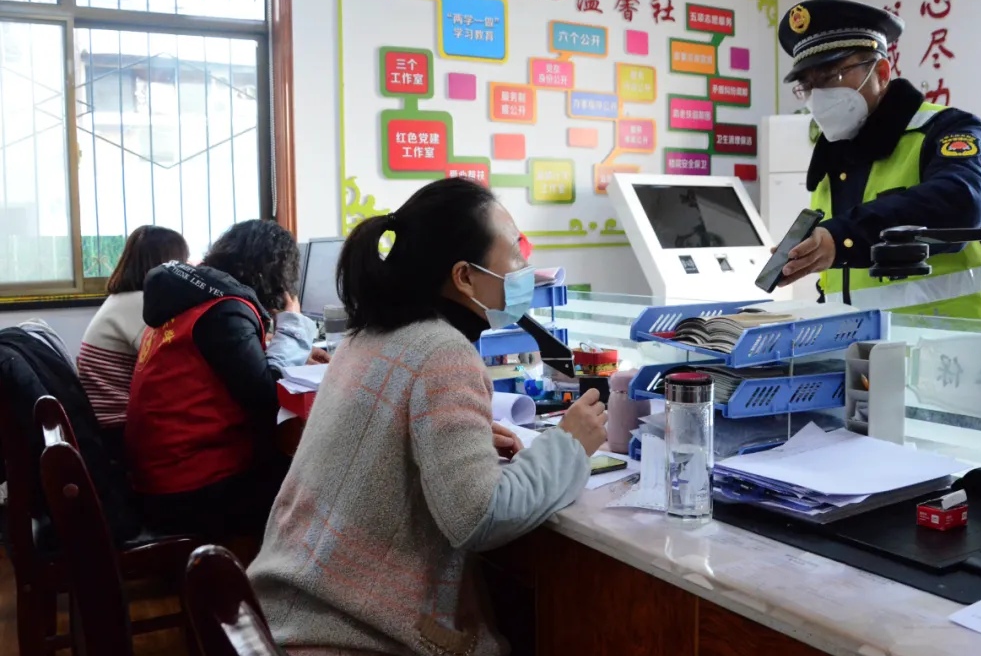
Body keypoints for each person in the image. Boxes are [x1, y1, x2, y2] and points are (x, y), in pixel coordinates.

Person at [247, 179, 608, 656]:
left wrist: (458, 441)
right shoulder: (443, 351)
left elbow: (382, 436)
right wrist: (569, 443)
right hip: (345, 635)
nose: (524, 270)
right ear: (465, 277)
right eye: (514, 255)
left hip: (286, 612)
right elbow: (479, 517)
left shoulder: (365, 336)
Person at [777, 0, 981, 321]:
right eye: (808, 86)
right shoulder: (832, 159)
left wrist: (841, 237)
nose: (818, 97)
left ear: (882, 73)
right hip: (861, 349)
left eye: (830, 77)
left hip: (956, 346)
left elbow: (962, 201)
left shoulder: (946, 130)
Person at [125, 219, 317, 539]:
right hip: (191, 490)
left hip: (159, 477)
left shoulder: (190, 299)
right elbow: (266, 396)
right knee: (314, 478)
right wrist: (293, 323)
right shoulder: (225, 310)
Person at [77, 226, 189, 459]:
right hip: (118, 429)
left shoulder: (122, 299)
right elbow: (174, 365)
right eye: (183, 262)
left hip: (105, 424)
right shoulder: (142, 304)